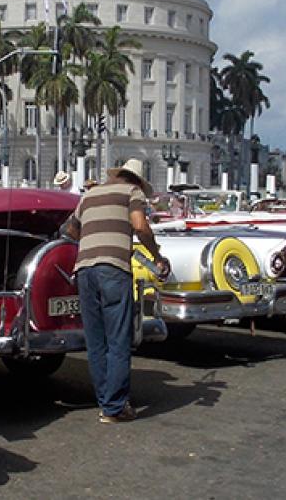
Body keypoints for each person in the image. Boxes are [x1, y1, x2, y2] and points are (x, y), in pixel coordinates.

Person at [62, 158, 170, 424]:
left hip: (84, 270)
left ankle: (106, 402)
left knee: (96, 341)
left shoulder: (89, 195)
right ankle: (115, 407)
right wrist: (156, 254)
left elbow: (70, 230)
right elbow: (140, 225)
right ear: (136, 181)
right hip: (114, 269)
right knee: (118, 339)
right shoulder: (131, 193)